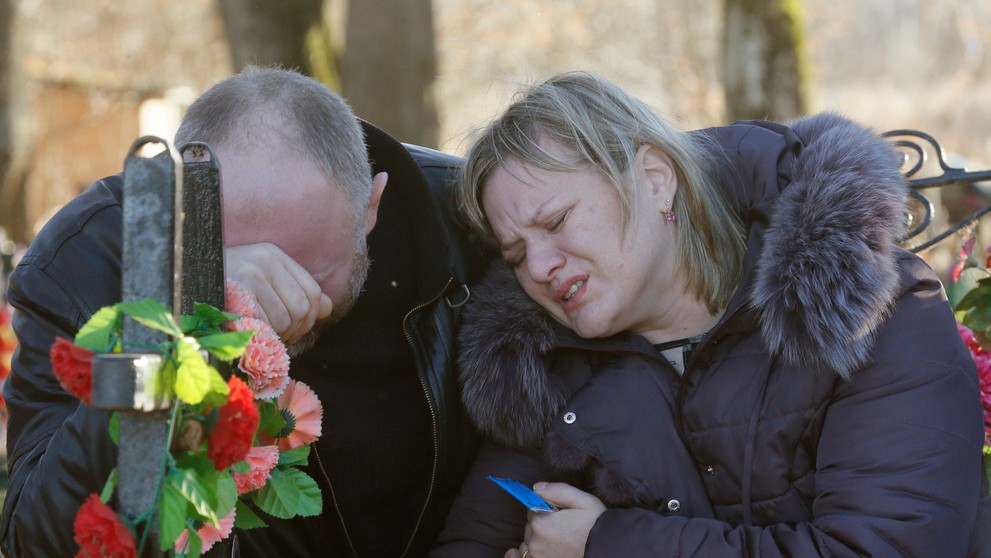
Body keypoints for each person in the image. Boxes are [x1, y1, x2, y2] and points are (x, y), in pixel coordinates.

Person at [431, 72, 991, 557]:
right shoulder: (546, 369)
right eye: (516, 254)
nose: (540, 267)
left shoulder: (872, 311)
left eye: (555, 222)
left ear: (655, 178)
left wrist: (608, 543)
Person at [1, 67, 486, 557]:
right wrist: (179, 327)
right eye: (234, 267)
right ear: (178, 213)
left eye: (309, 276)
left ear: (370, 208)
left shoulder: (469, 215)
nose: (276, 301)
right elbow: (41, 541)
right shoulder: (84, 262)